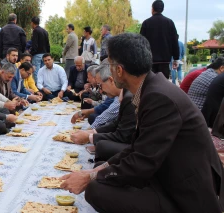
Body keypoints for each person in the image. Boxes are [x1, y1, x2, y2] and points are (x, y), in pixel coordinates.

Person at [60, 33, 224, 213]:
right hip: (167, 178)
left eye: (111, 65)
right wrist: (98, 171)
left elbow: (142, 162)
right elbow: (137, 147)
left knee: (96, 189)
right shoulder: (152, 89)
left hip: (184, 195)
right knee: (100, 176)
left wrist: (91, 177)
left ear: (119, 70)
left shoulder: (158, 97)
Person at [71, 85, 135, 161]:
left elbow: (123, 135)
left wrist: (89, 136)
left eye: (101, 86)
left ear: (111, 80)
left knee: (102, 146)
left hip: (138, 149)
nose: (100, 91)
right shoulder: (125, 93)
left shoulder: (129, 97)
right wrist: (92, 132)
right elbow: (116, 122)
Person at [72, 60, 120, 129]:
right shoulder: (117, 96)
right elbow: (106, 114)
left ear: (111, 80)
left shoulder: (123, 97)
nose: (100, 91)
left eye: (100, 85)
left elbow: (106, 111)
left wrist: (89, 133)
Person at [140, 0, 179, 79]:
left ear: (152, 9)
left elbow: (141, 42)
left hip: (150, 60)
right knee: (163, 83)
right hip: (165, 60)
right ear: (162, 9)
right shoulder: (169, 22)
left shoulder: (146, 23)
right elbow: (174, 41)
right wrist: (176, 58)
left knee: (149, 83)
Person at [30, 17, 50, 83]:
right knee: (43, 72)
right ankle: (43, 86)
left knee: (36, 72)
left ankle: (38, 87)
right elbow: (48, 44)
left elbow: (34, 44)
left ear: (32, 23)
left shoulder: (35, 31)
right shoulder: (45, 31)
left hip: (37, 54)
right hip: (44, 54)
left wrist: (31, 53)